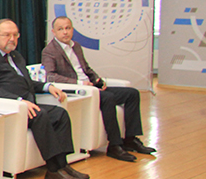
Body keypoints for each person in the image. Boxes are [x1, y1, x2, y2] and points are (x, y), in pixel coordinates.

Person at [0, 18, 90, 179]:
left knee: (60, 113)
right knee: (40, 115)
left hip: (27, 103)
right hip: (9, 108)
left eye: (15, 35)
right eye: (7, 35)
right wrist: (19, 101)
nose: (12, 39)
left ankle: (63, 165)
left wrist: (47, 87)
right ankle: (53, 170)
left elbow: (25, 82)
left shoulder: (15, 55)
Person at [42, 16, 155, 161]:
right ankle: (114, 145)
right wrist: (80, 83)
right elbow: (51, 77)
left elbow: (86, 69)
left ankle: (130, 139)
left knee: (132, 94)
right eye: (60, 29)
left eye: (68, 28)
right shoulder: (49, 51)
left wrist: (97, 80)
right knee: (108, 98)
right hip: (80, 91)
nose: (65, 32)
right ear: (53, 32)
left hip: (92, 87)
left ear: (72, 29)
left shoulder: (76, 46)